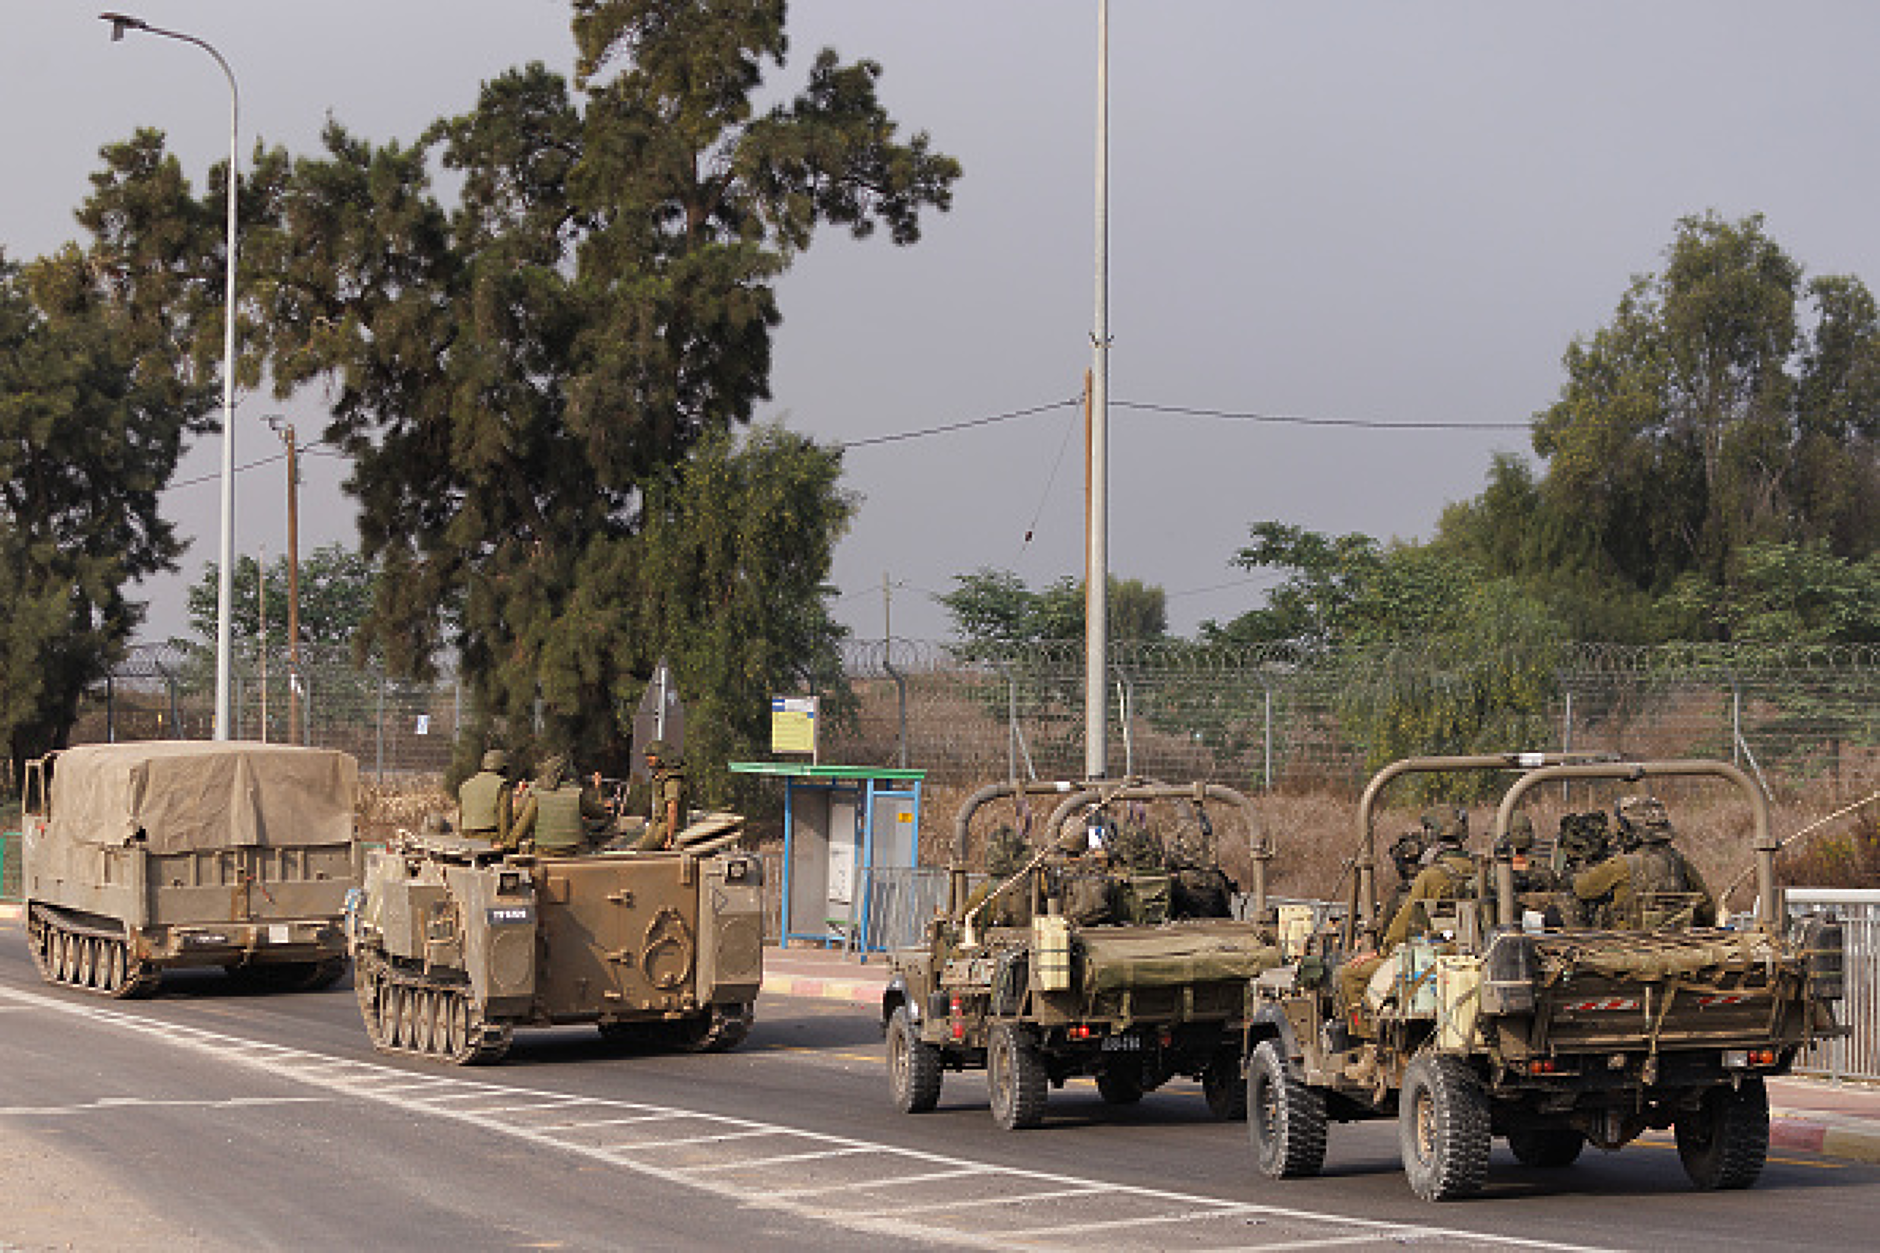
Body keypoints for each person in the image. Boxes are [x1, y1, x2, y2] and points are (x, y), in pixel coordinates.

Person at [1573, 795, 1717, 930]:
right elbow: (1706, 906)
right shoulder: (1679, 861)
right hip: (1673, 943)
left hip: (1625, 945)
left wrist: (1583, 863)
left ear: (1630, 829)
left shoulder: (1621, 865)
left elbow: (1582, 889)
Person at [510, 754, 611, 855]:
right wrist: (597, 789)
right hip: (575, 853)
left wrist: (508, 844)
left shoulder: (537, 796)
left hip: (545, 852)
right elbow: (599, 813)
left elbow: (521, 827)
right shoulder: (577, 794)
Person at [636, 740, 688, 851]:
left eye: (652, 755)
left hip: (666, 824)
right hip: (657, 822)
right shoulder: (659, 778)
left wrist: (670, 838)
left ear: (662, 757)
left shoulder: (671, 779)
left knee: (643, 850)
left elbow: (672, 809)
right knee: (637, 847)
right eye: (648, 756)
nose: (648, 759)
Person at [457, 749, 514, 847]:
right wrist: (503, 841)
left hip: (466, 836)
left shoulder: (466, 785)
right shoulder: (502, 785)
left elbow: (462, 816)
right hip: (489, 836)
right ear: (502, 767)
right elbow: (504, 818)